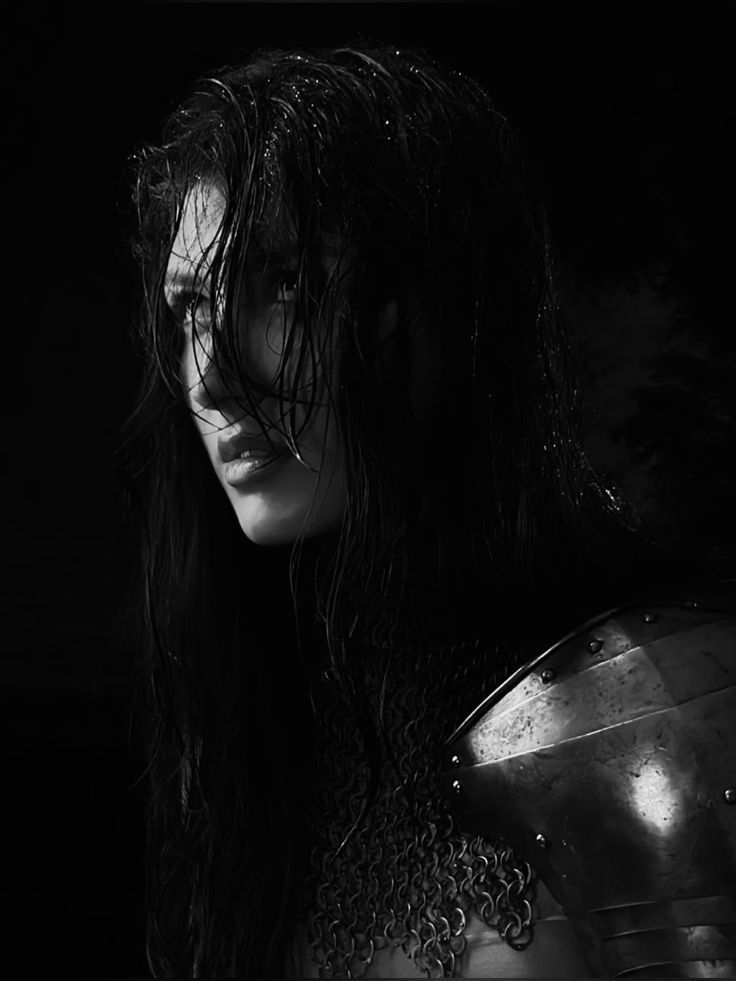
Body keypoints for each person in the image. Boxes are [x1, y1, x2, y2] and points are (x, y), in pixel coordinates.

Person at [118, 44, 736, 978]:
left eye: (283, 282)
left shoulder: (660, 706)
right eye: (194, 306)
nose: (210, 378)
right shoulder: (270, 746)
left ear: (436, 304)